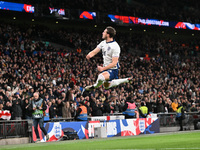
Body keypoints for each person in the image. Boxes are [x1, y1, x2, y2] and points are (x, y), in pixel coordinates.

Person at [84, 26, 132, 91]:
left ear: (108, 34)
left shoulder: (115, 46)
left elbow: (114, 63)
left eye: (104, 32)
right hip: (106, 68)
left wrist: (102, 68)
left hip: (113, 70)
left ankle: (94, 86)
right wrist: (89, 55)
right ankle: (126, 80)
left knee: (101, 77)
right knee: (106, 86)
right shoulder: (103, 43)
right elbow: (94, 51)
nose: (102, 33)